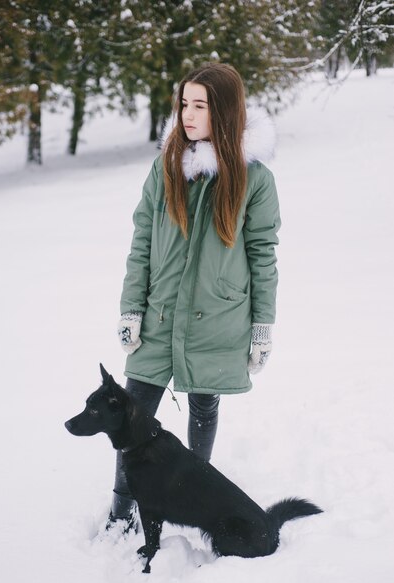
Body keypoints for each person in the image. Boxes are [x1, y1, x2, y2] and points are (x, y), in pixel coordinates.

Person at [108, 62, 280, 531]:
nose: (188, 114)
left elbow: (263, 255)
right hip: (160, 317)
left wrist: (262, 326)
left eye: (200, 105)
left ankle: (191, 496)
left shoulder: (254, 179)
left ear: (223, 111)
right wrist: (131, 307)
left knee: (204, 409)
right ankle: (121, 510)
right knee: (132, 416)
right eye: (184, 103)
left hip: (218, 321)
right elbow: (142, 240)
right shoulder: (166, 166)